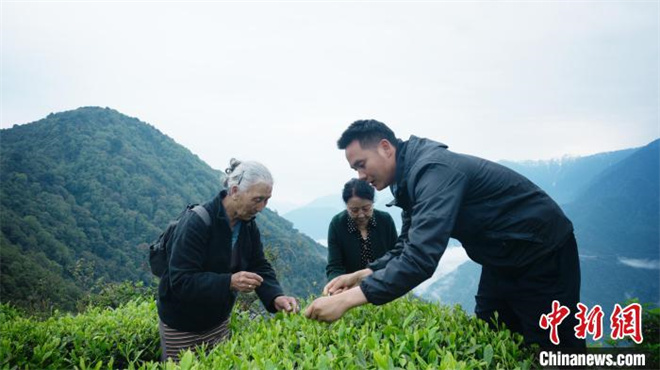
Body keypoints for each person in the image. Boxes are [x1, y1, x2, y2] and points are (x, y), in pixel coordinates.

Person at [305, 120, 585, 349]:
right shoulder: (408, 180)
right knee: (493, 330)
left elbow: (420, 259)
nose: (360, 175)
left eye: (361, 164)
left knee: (552, 346)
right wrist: (361, 275)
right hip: (502, 257)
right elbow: (408, 244)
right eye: (355, 169)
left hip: (542, 252)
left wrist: (346, 300)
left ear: (385, 148)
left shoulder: (433, 171)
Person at [157, 158, 299, 360]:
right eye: (257, 199)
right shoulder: (197, 223)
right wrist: (230, 281)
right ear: (234, 191)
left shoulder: (247, 224)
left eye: (266, 200)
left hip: (218, 322)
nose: (262, 207)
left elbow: (259, 264)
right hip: (182, 325)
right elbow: (181, 281)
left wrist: (276, 296)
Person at [326, 178, 398, 281]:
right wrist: (339, 284)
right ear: (347, 207)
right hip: (351, 287)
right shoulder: (337, 225)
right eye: (354, 210)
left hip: (385, 284)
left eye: (366, 208)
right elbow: (334, 266)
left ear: (372, 203)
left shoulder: (385, 220)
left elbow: (395, 255)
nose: (361, 215)